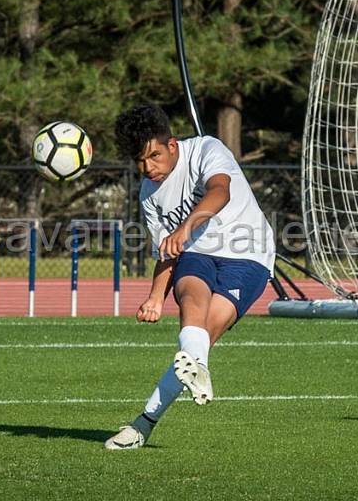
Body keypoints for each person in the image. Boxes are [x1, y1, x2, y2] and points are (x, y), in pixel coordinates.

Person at [104, 103, 275, 450]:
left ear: (172, 144)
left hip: (249, 253)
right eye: (139, 161)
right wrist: (155, 296)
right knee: (190, 298)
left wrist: (186, 227)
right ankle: (147, 422)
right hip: (197, 254)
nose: (148, 167)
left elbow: (220, 191)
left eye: (154, 156)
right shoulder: (149, 194)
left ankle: (144, 423)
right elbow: (167, 252)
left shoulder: (206, 149)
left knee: (199, 343)